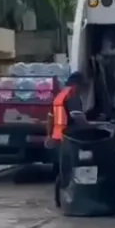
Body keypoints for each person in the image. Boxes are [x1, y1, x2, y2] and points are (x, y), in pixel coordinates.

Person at [49, 71, 89, 206]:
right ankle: (71, 199)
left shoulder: (60, 95)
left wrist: (49, 136)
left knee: (63, 169)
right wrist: (89, 127)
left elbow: (50, 117)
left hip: (59, 137)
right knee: (72, 168)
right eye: (82, 86)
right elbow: (77, 116)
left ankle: (59, 199)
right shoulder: (72, 95)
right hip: (70, 137)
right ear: (77, 85)